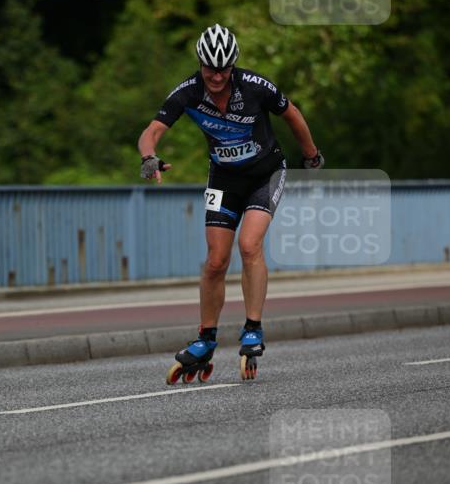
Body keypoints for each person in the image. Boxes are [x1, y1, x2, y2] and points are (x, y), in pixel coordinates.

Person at [137, 23, 324, 380]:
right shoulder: (188, 92)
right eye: (210, 68)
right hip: (224, 180)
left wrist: (311, 155)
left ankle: (253, 327)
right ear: (200, 64)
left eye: (224, 69)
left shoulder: (255, 86)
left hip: (265, 175)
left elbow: (293, 114)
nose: (217, 76)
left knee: (249, 245)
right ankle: (206, 338)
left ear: (233, 64)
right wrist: (149, 157)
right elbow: (152, 131)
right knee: (215, 260)